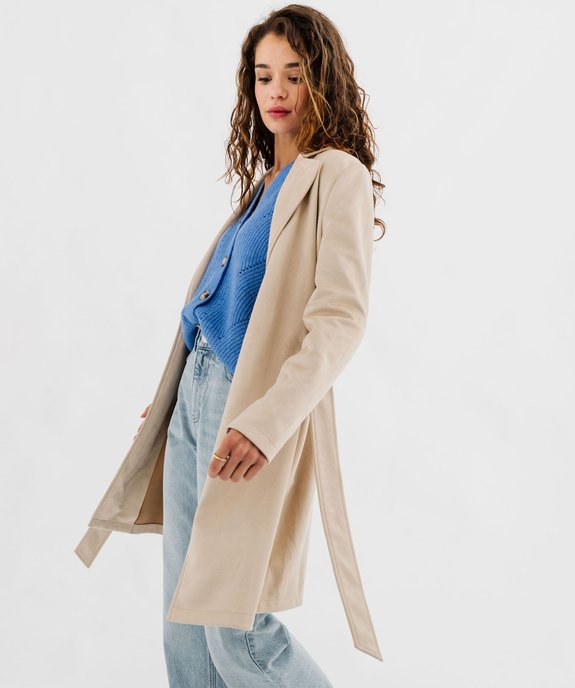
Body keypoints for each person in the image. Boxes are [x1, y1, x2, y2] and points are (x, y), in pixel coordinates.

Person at [75, 4, 385, 686]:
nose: (276, 91)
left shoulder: (338, 175)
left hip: (248, 407)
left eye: (294, 74)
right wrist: (176, 397)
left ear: (323, 79)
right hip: (197, 395)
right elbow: (216, 309)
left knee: (235, 629)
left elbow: (340, 319)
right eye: (263, 76)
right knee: (186, 626)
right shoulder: (263, 186)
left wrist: (264, 422)